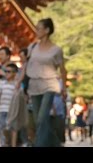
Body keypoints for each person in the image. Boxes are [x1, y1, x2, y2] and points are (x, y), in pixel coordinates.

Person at [24, 18, 67, 147]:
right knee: (38, 121)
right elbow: (26, 66)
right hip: (34, 85)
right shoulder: (32, 47)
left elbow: (63, 70)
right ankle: (55, 143)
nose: (36, 31)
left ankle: (38, 145)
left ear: (47, 30)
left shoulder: (56, 50)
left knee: (42, 118)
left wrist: (63, 88)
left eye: (39, 28)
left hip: (49, 85)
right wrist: (21, 84)